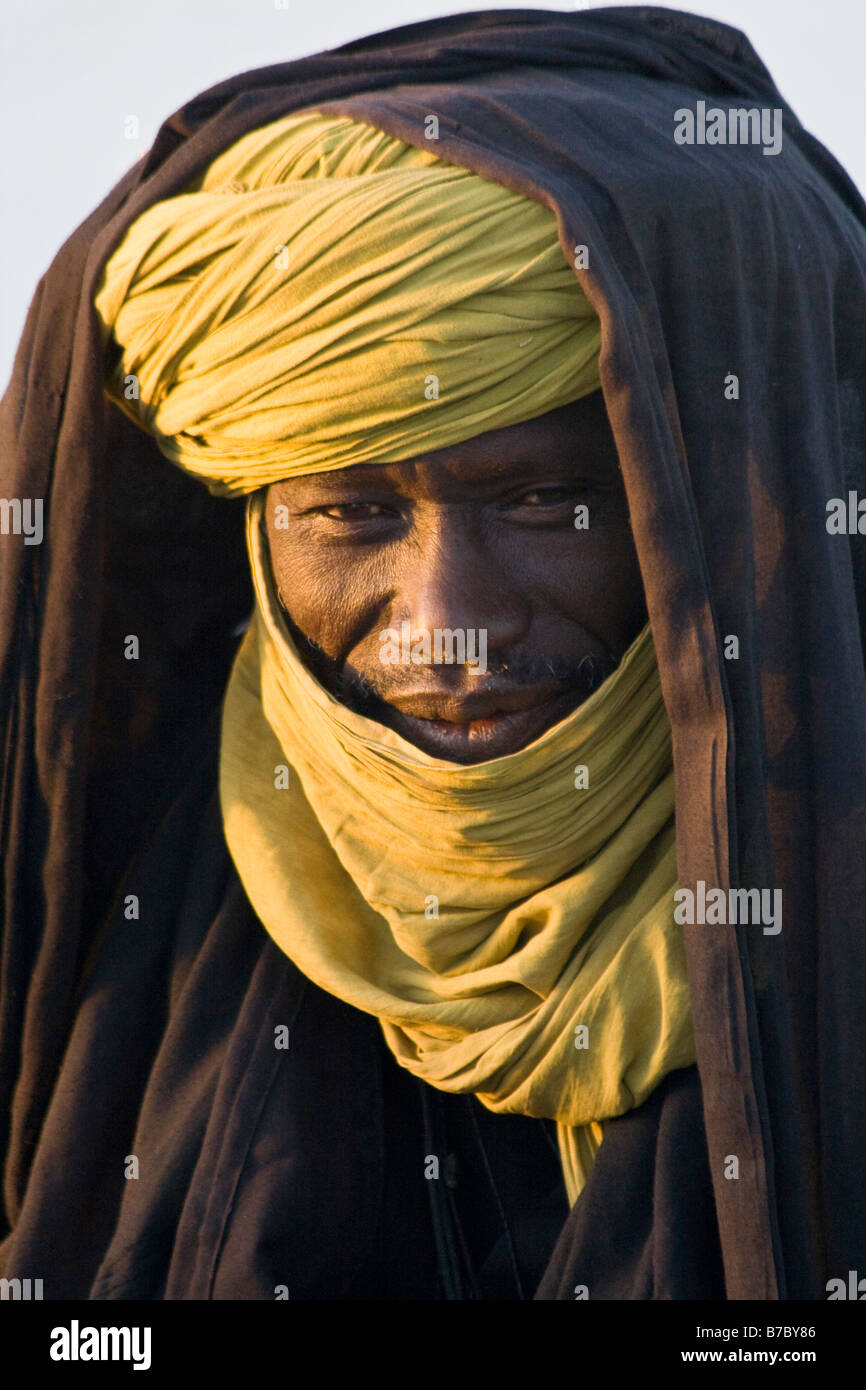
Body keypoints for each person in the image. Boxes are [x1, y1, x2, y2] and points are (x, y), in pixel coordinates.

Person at [1, 6, 865, 1302]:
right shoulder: (120, 979)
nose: (447, 617)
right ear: (251, 526)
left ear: (714, 517)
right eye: (350, 511)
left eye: (541, 504)